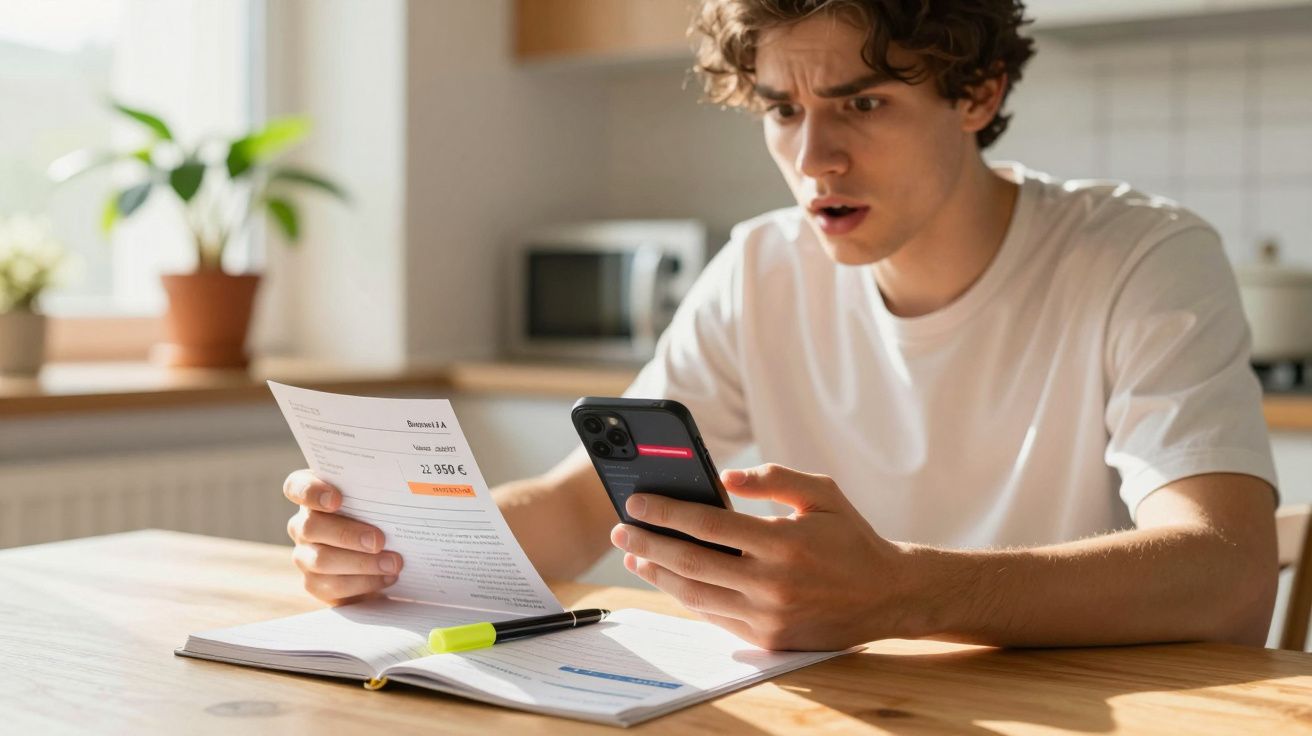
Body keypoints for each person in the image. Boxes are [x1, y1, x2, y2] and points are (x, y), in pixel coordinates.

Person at [283, 0, 1279, 651]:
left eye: (862, 104)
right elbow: (582, 505)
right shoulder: (761, 266)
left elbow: (1226, 570)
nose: (814, 160)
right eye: (781, 111)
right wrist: (400, 545)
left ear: (978, 94)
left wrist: (906, 591)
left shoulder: (1140, 256)